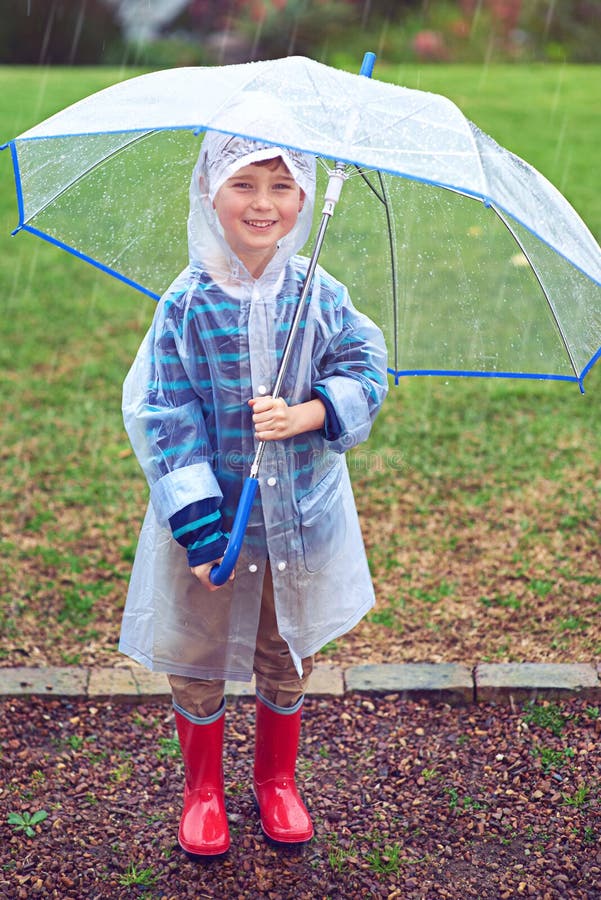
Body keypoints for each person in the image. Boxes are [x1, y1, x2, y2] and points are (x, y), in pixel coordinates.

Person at [120, 100, 388, 857]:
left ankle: (276, 779)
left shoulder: (320, 294)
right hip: (210, 516)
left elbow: (366, 370)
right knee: (198, 652)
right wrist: (202, 529)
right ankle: (202, 788)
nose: (262, 204)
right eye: (243, 184)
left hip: (301, 511)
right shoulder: (186, 302)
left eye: (281, 185)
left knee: (284, 645)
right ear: (210, 191)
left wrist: (308, 413)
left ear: (305, 198)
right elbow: (164, 413)